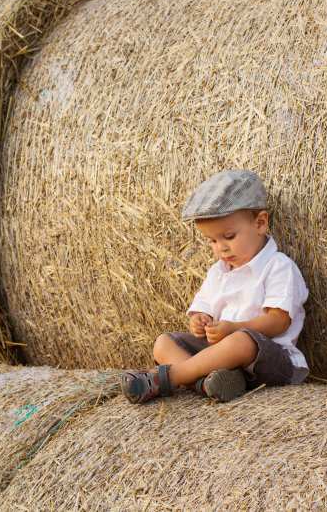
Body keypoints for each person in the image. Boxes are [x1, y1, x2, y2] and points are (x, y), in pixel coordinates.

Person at [122, 169, 309, 403]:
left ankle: (171, 377)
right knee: (163, 342)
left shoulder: (278, 266)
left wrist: (234, 328)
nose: (221, 248)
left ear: (260, 223)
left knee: (241, 340)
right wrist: (200, 321)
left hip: (269, 359)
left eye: (229, 236)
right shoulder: (218, 271)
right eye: (212, 241)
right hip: (218, 356)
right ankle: (206, 383)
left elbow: (279, 321)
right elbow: (204, 310)